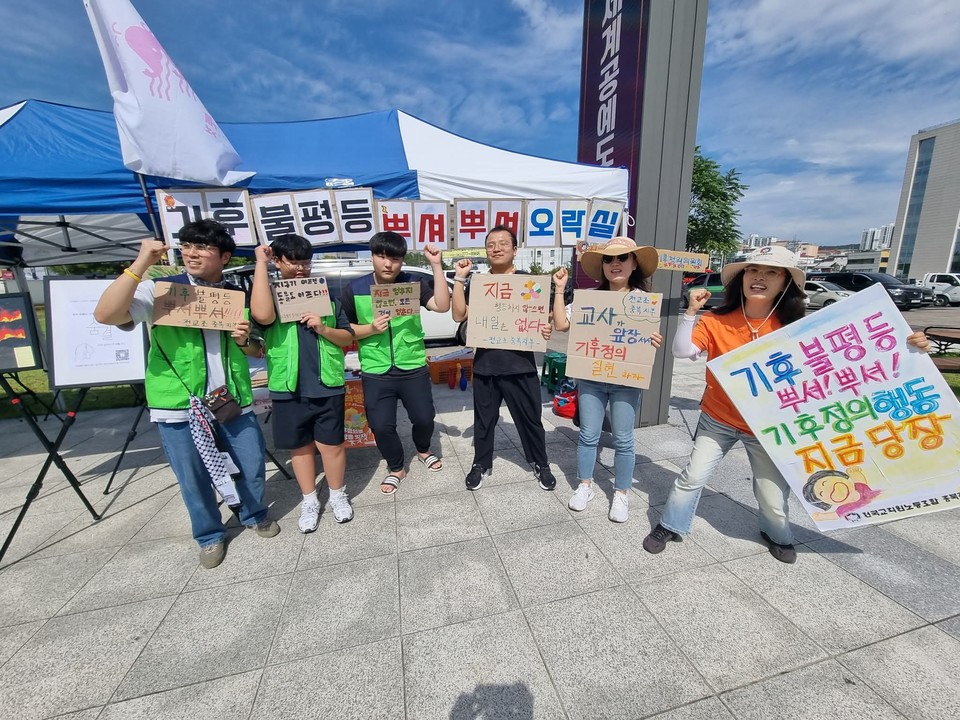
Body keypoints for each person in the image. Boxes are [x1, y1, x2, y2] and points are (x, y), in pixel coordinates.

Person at [642, 246, 930, 563]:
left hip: (771, 426)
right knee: (692, 476)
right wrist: (691, 314)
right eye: (753, 270)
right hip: (718, 419)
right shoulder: (717, 321)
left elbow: (857, 352)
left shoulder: (799, 327)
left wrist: (906, 343)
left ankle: (776, 533)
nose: (759, 277)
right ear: (742, 278)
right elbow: (682, 352)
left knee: (772, 491)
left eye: (772, 272)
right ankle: (670, 524)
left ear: (785, 283)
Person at [94, 219, 278, 570]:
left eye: (202, 247)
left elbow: (257, 349)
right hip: (178, 404)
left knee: (251, 464)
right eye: (187, 246)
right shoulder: (160, 290)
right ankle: (209, 535)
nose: (192, 253)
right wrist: (141, 263)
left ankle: (253, 513)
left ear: (224, 256)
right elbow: (106, 314)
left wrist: (244, 341)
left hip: (232, 401)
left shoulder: (234, 294)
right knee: (192, 476)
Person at [551, 237, 663, 522]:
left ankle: (622, 493)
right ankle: (585, 485)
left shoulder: (644, 303)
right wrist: (560, 289)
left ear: (634, 263)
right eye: (609, 259)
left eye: (623, 257)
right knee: (588, 435)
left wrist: (652, 339)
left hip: (626, 380)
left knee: (624, 439)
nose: (615, 263)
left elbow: (644, 340)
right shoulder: (589, 300)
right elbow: (562, 325)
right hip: (592, 378)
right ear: (602, 266)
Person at [250, 234, 356, 532]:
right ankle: (309, 499)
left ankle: (337, 494)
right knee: (300, 448)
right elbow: (260, 316)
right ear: (278, 261)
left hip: (327, 383)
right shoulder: (267, 297)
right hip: (288, 386)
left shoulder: (327, 299)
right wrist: (260, 263)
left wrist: (323, 328)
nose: (300, 268)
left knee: (332, 445)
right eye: (293, 262)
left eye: (306, 262)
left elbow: (347, 337)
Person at [340, 231, 450, 495]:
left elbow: (442, 305)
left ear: (402, 261)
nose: (388, 264)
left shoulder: (412, 284)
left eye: (395, 258)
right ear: (372, 256)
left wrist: (436, 265)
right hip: (376, 369)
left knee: (424, 418)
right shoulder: (354, 289)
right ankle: (396, 467)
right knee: (381, 425)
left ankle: (423, 450)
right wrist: (370, 329)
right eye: (381, 256)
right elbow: (346, 328)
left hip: (412, 365)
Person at [451, 225, 557, 492]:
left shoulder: (528, 282)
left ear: (514, 249)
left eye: (503, 243)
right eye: (491, 244)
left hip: (521, 366)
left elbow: (543, 320)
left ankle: (540, 463)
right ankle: (481, 463)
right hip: (486, 365)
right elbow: (458, 315)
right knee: (484, 420)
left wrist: (546, 328)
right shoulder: (479, 283)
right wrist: (460, 278)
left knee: (531, 419)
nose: (496, 248)